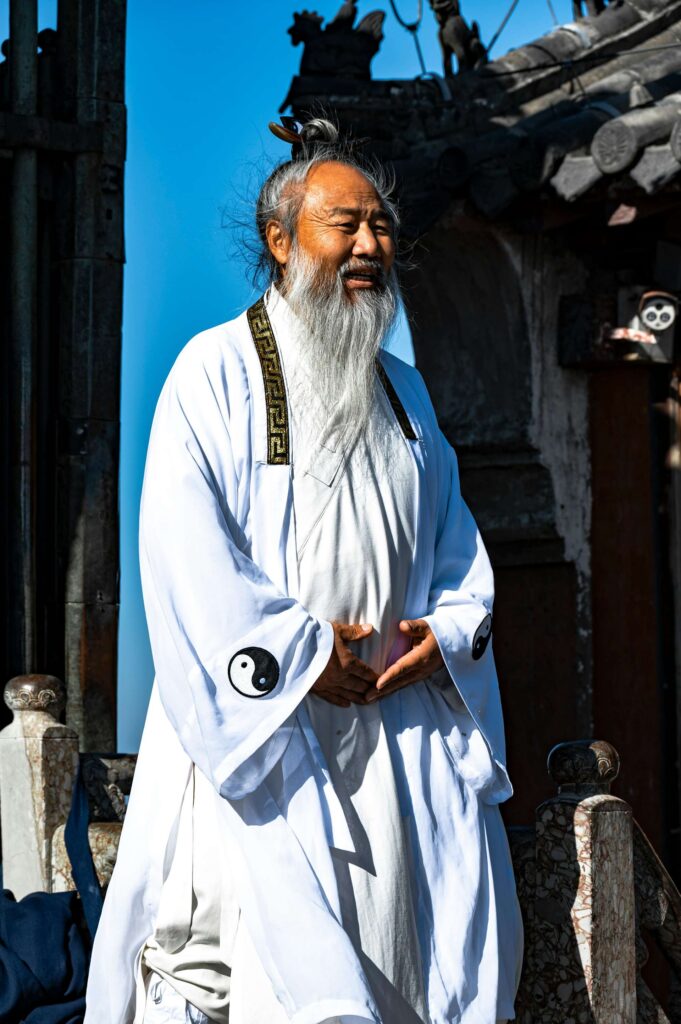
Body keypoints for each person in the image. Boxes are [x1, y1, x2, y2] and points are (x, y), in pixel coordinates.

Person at [84, 117, 523, 1024]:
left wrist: (443, 634)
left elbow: (456, 549)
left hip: (397, 733)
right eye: (344, 225)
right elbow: (185, 553)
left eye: (381, 226)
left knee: (419, 965)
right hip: (265, 733)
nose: (369, 246)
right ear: (279, 242)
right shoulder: (213, 372)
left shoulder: (405, 391)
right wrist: (304, 655)